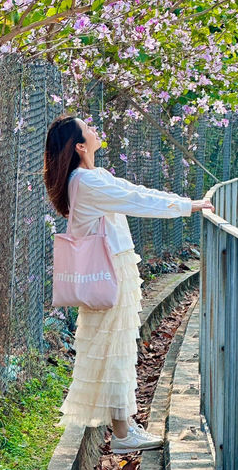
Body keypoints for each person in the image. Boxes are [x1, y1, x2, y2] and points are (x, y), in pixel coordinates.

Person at [44, 114, 213, 452]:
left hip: (115, 269)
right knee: (113, 351)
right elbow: (138, 202)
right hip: (110, 272)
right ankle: (123, 434)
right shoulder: (86, 183)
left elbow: (135, 191)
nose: (94, 130)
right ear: (80, 146)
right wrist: (188, 207)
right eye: (88, 129)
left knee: (116, 350)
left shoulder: (94, 177)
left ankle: (125, 429)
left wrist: (185, 203)